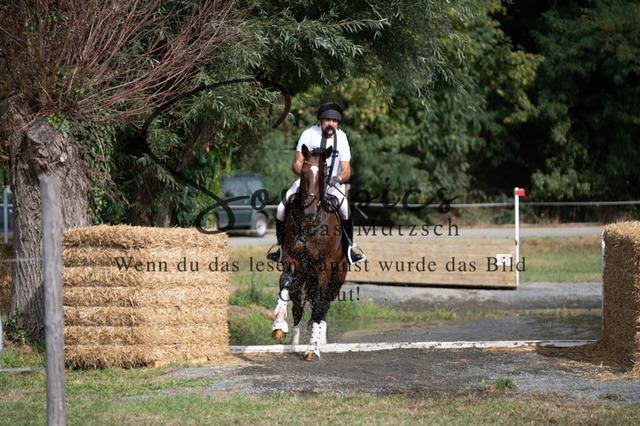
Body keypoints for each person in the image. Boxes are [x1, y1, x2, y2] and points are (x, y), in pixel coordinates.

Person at [267, 101, 365, 265]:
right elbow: (296, 163)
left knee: (345, 209)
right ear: (320, 121)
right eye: (328, 120)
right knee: (281, 208)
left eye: (334, 121)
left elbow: (346, 170)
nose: (331, 124)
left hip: (331, 185)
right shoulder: (308, 134)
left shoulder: (342, 138)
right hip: (307, 183)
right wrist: (308, 177)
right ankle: (280, 247)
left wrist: (336, 179)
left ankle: (349, 248)